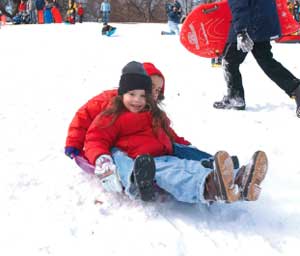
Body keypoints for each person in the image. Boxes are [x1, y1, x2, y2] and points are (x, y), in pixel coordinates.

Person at [83, 61, 268, 204]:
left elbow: (171, 136)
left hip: (164, 153)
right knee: (175, 174)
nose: (137, 100)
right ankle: (212, 188)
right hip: (144, 163)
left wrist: (187, 148)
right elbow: (95, 139)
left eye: (143, 95)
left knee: (187, 164)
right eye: (131, 94)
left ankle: (239, 179)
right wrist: (100, 158)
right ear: (121, 94)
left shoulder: (154, 113)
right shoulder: (111, 116)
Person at [65, 62, 213, 166]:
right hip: (120, 147)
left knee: (179, 150)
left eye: (158, 90)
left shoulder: (152, 110)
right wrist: (74, 143)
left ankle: (217, 165)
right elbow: (84, 117)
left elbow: (168, 133)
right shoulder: (109, 100)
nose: (154, 93)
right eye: (151, 88)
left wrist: (183, 145)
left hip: (154, 149)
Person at [213, 0, 300, 118]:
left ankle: (235, 97)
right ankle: (296, 89)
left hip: (249, 24)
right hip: (263, 21)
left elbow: (239, 4)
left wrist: (241, 31)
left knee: (229, 61)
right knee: (266, 61)